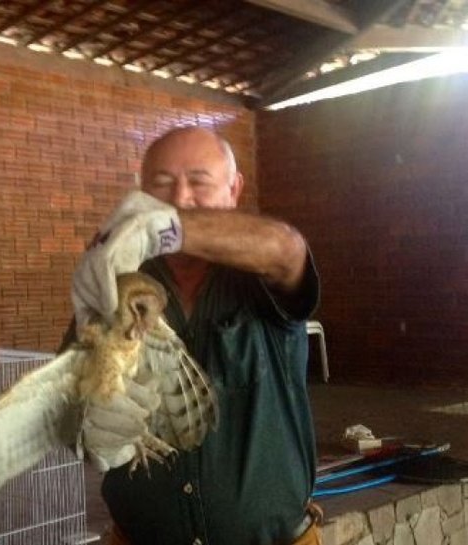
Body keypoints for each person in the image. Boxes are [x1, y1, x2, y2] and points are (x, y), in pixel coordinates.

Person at [66, 126, 321, 545]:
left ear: (235, 188)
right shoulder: (117, 283)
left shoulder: (263, 275)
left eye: (199, 182)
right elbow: (74, 406)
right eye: (161, 184)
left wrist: (165, 229)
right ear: (140, 192)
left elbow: (286, 249)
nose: (180, 198)